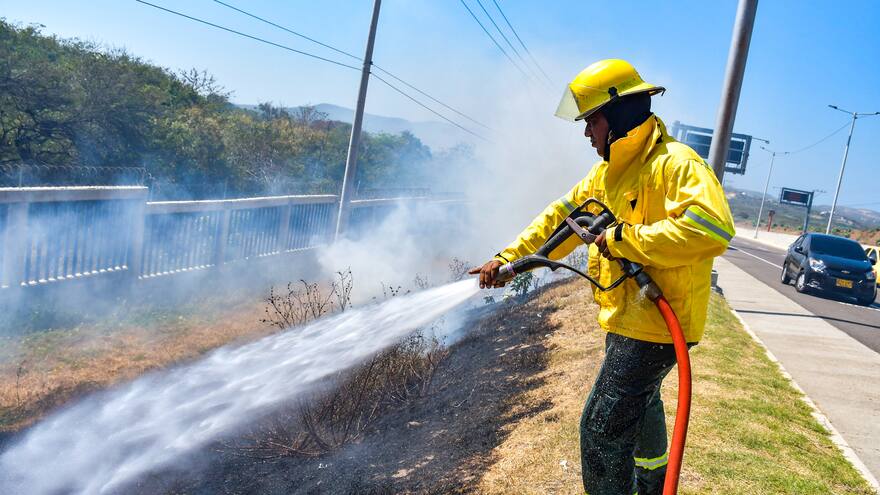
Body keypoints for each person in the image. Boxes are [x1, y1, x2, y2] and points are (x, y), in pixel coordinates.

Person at [469, 59, 735, 495]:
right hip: (631, 318)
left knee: (601, 430)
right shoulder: (607, 173)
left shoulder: (675, 164)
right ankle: (652, 481)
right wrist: (508, 259)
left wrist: (625, 240)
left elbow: (712, 228)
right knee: (639, 405)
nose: (586, 132)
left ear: (620, 113)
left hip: (656, 326)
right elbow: (561, 221)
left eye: (591, 120)